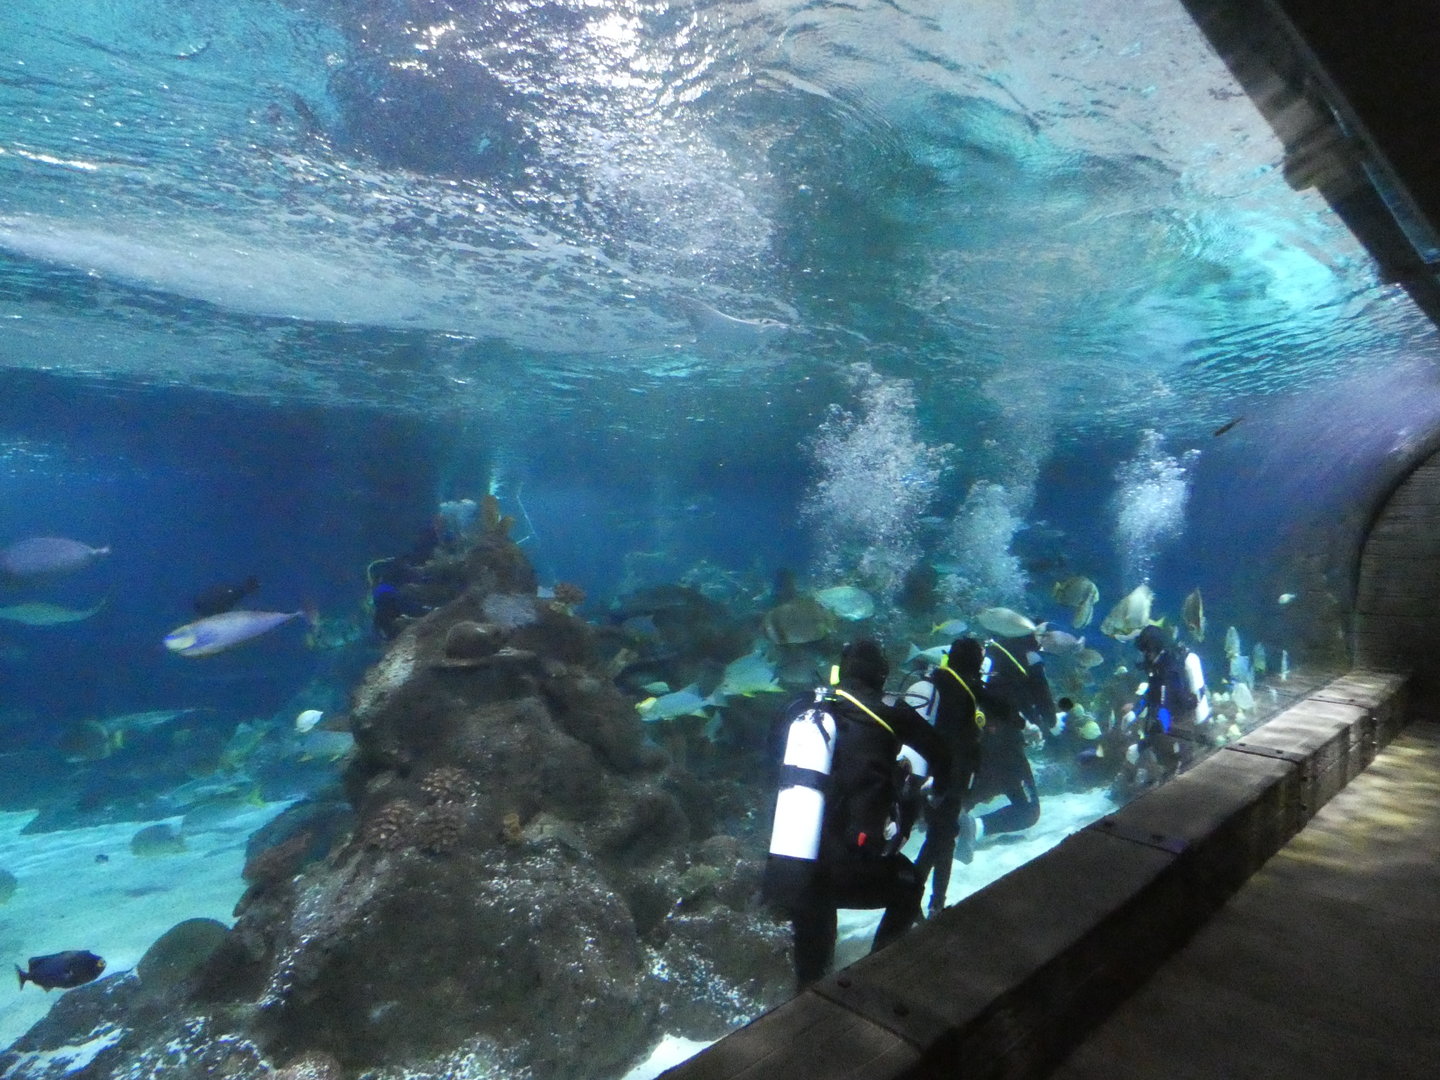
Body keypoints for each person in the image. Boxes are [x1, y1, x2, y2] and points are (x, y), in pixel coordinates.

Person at [765, 639, 952, 991]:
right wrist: (933, 790)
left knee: (811, 973)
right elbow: (942, 755)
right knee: (908, 886)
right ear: (882, 675)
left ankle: (805, 997)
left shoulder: (802, 707)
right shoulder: (891, 715)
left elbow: (773, 756)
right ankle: (881, 971)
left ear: (841, 670)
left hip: (795, 868)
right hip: (850, 868)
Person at [912, 637, 1006, 916]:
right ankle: (915, 900)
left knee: (942, 838)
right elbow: (955, 739)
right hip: (946, 778)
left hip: (937, 777)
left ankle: (933, 902)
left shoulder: (941, 681)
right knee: (940, 840)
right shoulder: (960, 689)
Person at [968, 633, 1057, 838]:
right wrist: (1050, 723)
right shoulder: (1030, 658)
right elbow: (1042, 696)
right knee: (1028, 811)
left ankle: (946, 826)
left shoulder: (988, 655)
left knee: (968, 795)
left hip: (973, 743)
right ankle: (973, 829)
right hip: (1005, 746)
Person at [1134, 624, 1210, 778]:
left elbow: (1165, 704)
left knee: (1184, 759)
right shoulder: (1157, 667)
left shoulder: (1170, 668)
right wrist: (1135, 712)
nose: (1144, 656)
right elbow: (1152, 693)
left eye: (1146, 652)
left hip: (1184, 716)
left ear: (1152, 649)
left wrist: (1147, 740)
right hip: (1174, 715)